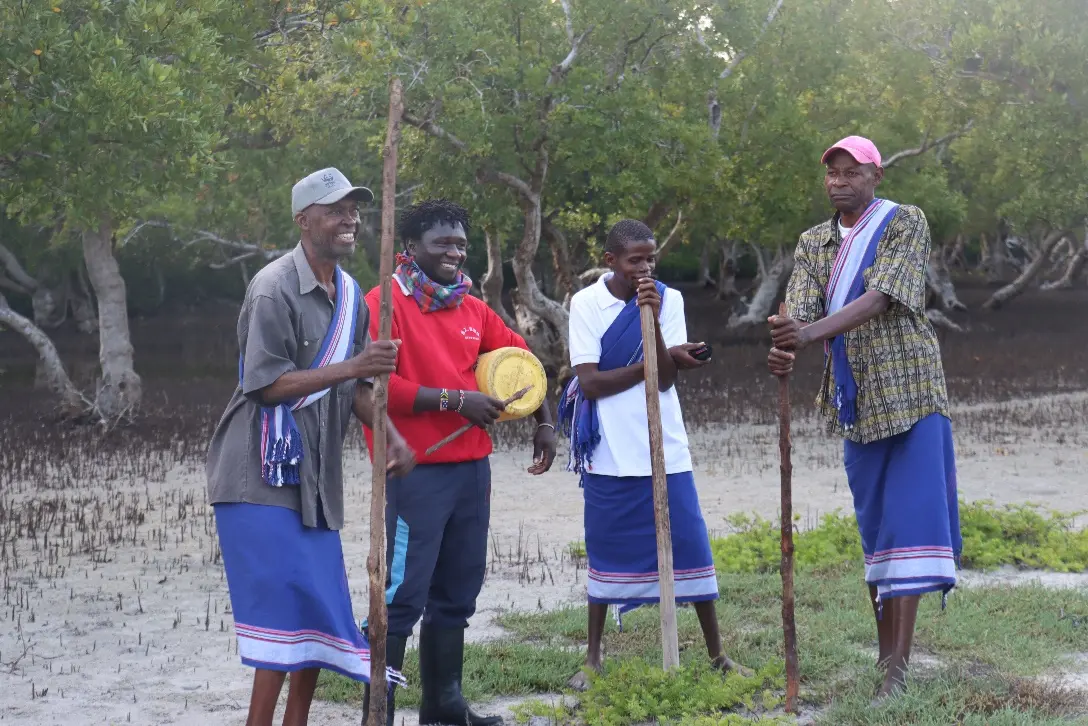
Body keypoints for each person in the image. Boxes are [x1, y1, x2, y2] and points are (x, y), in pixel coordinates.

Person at [206, 167, 416, 726]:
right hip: (259, 475)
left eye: (354, 208)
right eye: (335, 209)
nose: (350, 219)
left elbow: (353, 391)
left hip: (315, 481)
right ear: (304, 220)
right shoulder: (273, 287)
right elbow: (264, 384)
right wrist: (355, 365)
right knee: (281, 617)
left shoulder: (351, 295)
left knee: (318, 617)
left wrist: (389, 437)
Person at [768, 136, 961, 701]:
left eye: (850, 172)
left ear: (875, 175)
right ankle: (885, 664)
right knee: (876, 532)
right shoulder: (813, 241)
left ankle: (897, 673)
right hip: (857, 400)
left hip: (913, 393)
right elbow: (799, 307)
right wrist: (782, 338)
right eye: (831, 174)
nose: (838, 182)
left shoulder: (905, 221)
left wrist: (806, 334)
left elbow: (883, 296)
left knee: (909, 523)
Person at [359, 198, 557, 726]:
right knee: (401, 597)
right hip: (413, 472)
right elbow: (375, 386)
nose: (454, 252)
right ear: (409, 247)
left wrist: (543, 420)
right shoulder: (383, 303)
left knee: (456, 592)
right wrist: (453, 400)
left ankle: (443, 707)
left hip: (471, 472)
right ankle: (378, 712)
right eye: (441, 243)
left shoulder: (471, 306)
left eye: (461, 244)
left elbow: (524, 364)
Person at [558, 219, 750, 691]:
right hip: (608, 451)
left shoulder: (669, 299)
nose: (644, 268)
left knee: (690, 545)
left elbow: (664, 379)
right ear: (610, 262)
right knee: (606, 548)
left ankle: (716, 653)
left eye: (650, 259)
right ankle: (593, 656)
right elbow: (590, 382)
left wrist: (656, 324)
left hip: (664, 445)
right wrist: (648, 362)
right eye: (634, 260)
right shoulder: (586, 304)